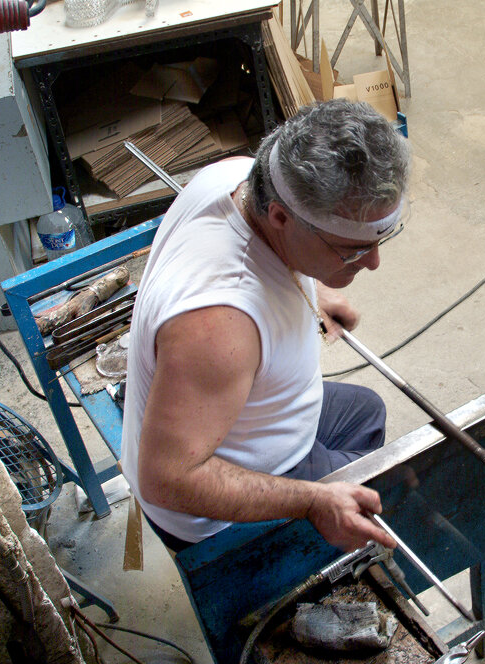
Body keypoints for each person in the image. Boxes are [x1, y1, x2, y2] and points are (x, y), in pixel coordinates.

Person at [120, 99, 410, 555]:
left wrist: (312, 287)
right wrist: (313, 502)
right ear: (281, 218)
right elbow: (167, 480)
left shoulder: (241, 175)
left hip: (246, 419)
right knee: (380, 503)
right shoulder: (219, 326)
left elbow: (270, 257)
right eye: (351, 250)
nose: (373, 263)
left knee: (366, 411)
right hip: (206, 514)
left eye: (377, 241)